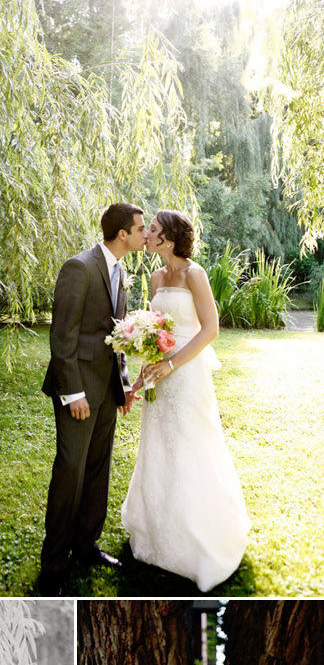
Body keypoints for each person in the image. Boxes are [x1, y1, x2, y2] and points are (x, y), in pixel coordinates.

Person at [121, 209, 250, 591]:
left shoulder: (195, 274)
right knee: (159, 446)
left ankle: (200, 536)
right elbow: (155, 328)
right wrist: (146, 367)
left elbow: (210, 330)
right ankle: (159, 532)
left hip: (187, 373)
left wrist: (173, 363)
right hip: (159, 372)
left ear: (170, 239)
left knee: (193, 445)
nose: (147, 236)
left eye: (154, 231)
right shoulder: (156, 276)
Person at [40, 202, 147, 596]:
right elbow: (63, 337)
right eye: (140, 229)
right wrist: (73, 393)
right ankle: (53, 561)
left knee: (98, 468)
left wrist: (121, 385)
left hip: (106, 390)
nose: (144, 235)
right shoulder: (79, 267)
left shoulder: (119, 270)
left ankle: (86, 545)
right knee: (71, 469)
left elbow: (113, 337)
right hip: (79, 390)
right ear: (122, 233)